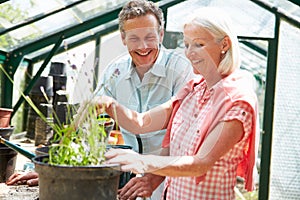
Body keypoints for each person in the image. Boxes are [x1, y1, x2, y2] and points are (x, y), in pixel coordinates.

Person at [6, 0, 193, 197]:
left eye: (149, 37)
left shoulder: (181, 70)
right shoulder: (115, 71)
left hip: (170, 175)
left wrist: (154, 176)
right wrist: (54, 168)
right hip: (127, 175)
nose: (143, 46)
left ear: (161, 35)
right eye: (134, 38)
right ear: (123, 38)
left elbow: (182, 133)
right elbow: (88, 119)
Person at [96, 7, 259, 200]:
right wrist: (107, 104)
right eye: (187, 44)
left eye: (199, 44)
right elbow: (141, 122)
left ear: (224, 44)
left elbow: (200, 163)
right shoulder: (194, 89)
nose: (189, 53)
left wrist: (142, 161)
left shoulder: (236, 102)